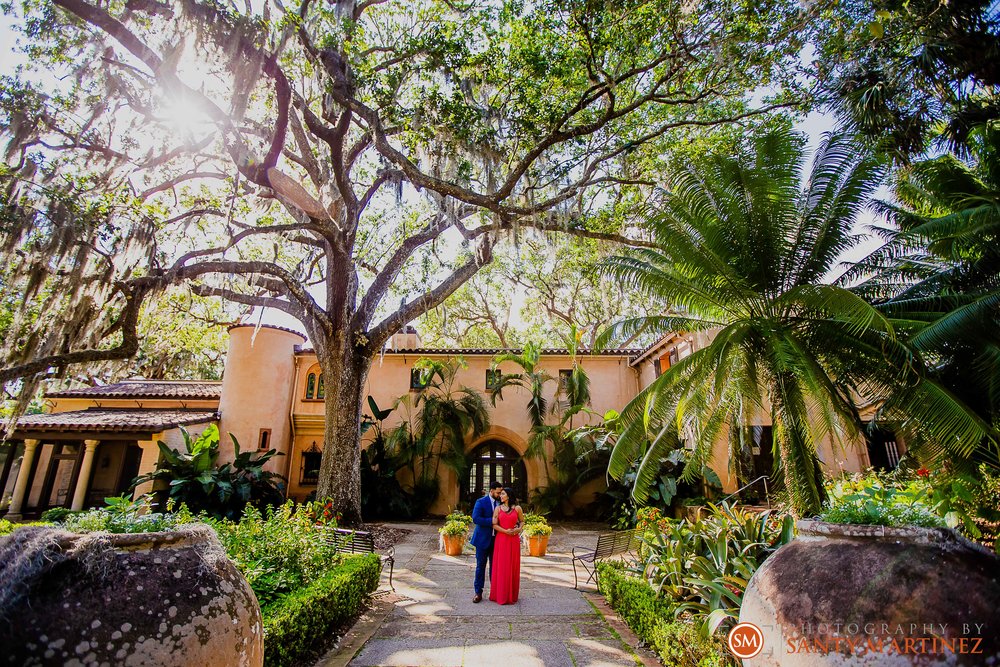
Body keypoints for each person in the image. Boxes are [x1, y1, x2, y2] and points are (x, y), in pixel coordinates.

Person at [469, 481, 504, 603]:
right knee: (480, 567)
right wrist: (493, 521)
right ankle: (478, 593)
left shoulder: (501, 502)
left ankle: (494, 592)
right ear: (491, 491)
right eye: (498, 492)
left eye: (501, 493)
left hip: (497, 541)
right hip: (482, 540)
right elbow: (476, 518)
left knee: (495, 568)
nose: (500, 495)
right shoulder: (481, 502)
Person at [489, 487, 523, 605]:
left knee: (512, 565)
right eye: (500, 494)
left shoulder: (517, 508)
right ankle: (500, 594)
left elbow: (522, 521)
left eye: (503, 494)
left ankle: (512, 594)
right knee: (502, 566)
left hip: (514, 540)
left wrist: (518, 529)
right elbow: (494, 524)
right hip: (502, 540)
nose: (500, 496)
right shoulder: (498, 509)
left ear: (508, 495)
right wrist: (505, 531)